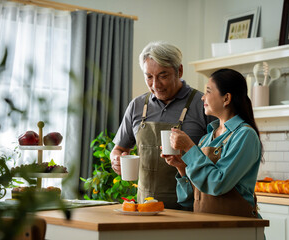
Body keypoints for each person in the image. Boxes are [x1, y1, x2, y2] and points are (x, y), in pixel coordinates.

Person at [110, 41, 214, 209]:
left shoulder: (203, 104)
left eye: (163, 76)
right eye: (149, 77)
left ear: (179, 71)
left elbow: (218, 159)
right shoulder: (136, 106)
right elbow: (119, 149)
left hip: (191, 207)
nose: (156, 85)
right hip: (145, 207)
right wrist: (116, 159)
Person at [164, 68, 262, 217]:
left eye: (208, 91)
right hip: (207, 228)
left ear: (226, 98)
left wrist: (190, 148)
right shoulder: (206, 139)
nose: (202, 98)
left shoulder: (245, 135)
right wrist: (182, 168)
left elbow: (218, 184)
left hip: (238, 229)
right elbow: (191, 200)